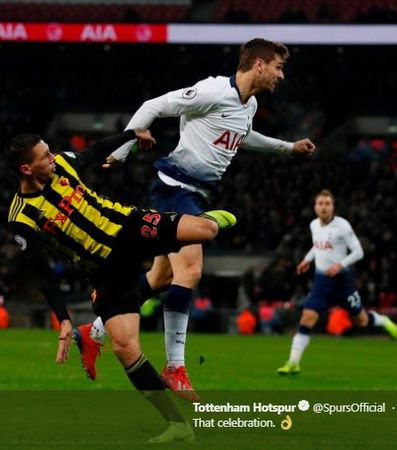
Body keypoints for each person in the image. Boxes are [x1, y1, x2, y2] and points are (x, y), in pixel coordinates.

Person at [73, 38, 317, 398]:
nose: (282, 75)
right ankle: (175, 367)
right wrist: (122, 151)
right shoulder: (213, 90)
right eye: (279, 67)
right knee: (191, 271)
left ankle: (92, 333)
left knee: (160, 277)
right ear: (260, 64)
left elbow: (244, 137)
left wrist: (288, 147)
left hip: (194, 195)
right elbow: (152, 105)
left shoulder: (248, 105)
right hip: (173, 189)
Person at [5, 129, 236, 442]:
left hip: (129, 226)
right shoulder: (22, 218)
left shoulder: (63, 165)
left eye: (49, 151)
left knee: (206, 230)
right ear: (26, 169)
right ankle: (178, 425)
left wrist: (132, 134)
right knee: (125, 348)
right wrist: (63, 318)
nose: (52, 157)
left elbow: (95, 150)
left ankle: (93, 332)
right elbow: (42, 273)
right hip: (104, 271)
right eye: (45, 156)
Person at [277, 190, 397, 375]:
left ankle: (382, 320)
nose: (324, 207)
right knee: (307, 318)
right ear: (315, 207)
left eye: (327, 203)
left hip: (342, 282)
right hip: (321, 283)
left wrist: (339, 265)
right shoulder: (313, 225)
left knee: (361, 321)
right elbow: (317, 245)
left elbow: (359, 252)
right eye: (320, 203)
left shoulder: (342, 226)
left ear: (333, 207)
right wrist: (307, 259)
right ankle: (293, 362)